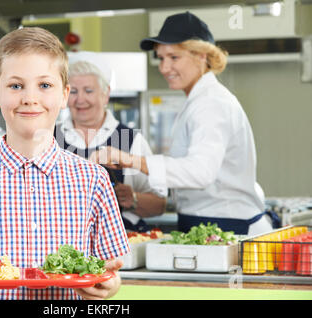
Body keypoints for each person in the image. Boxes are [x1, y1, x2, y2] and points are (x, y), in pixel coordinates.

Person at [0, 27, 129, 300]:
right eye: (16, 85)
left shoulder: (94, 180)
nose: (29, 98)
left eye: (44, 85)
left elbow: (109, 272)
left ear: (64, 95)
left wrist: (108, 286)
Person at [90, 12, 280, 236]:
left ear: (201, 56)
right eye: (161, 58)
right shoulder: (199, 100)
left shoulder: (211, 103)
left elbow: (200, 172)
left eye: (174, 57)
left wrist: (132, 160)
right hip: (208, 223)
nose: (164, 68)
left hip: (228, 226)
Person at [54, 51, 166, 232]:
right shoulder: (50, 138)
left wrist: (134, 199)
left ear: (106, 94)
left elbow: (160, 205)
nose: (80, 99)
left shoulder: (130, 140)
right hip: (61, 245)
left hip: (120, 246)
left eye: (88, 91)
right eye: (73, 91)